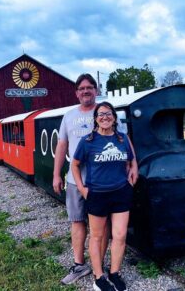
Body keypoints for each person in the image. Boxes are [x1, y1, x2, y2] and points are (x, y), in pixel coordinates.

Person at [53, 74, 138, 285]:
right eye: (81, 88)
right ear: (76, 92)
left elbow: (126, 145)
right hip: (77, 182)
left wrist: (133, 167)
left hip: (107, 185)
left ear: (96, 90)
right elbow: (62, 145)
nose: (85, 91)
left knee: (106, 230)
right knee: (78, 222)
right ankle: (80, 265)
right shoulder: (70, 116)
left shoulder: (107, 112)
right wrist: (57, 174)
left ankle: (101, 269)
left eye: (89, 87)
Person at [72, 101, 136, 291]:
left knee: (120, 235)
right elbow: (74, 165)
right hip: (97, 194)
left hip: (121, 193)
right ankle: (98, 277)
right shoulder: (88, 141)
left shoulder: (122, 139)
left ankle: (114, 273)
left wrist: (133, 174)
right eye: (101, 114)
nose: (105, 117)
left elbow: (132, 160)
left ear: (114, 118)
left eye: (108, 114)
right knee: (97, 237)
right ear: (96, 119)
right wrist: (82, 189)